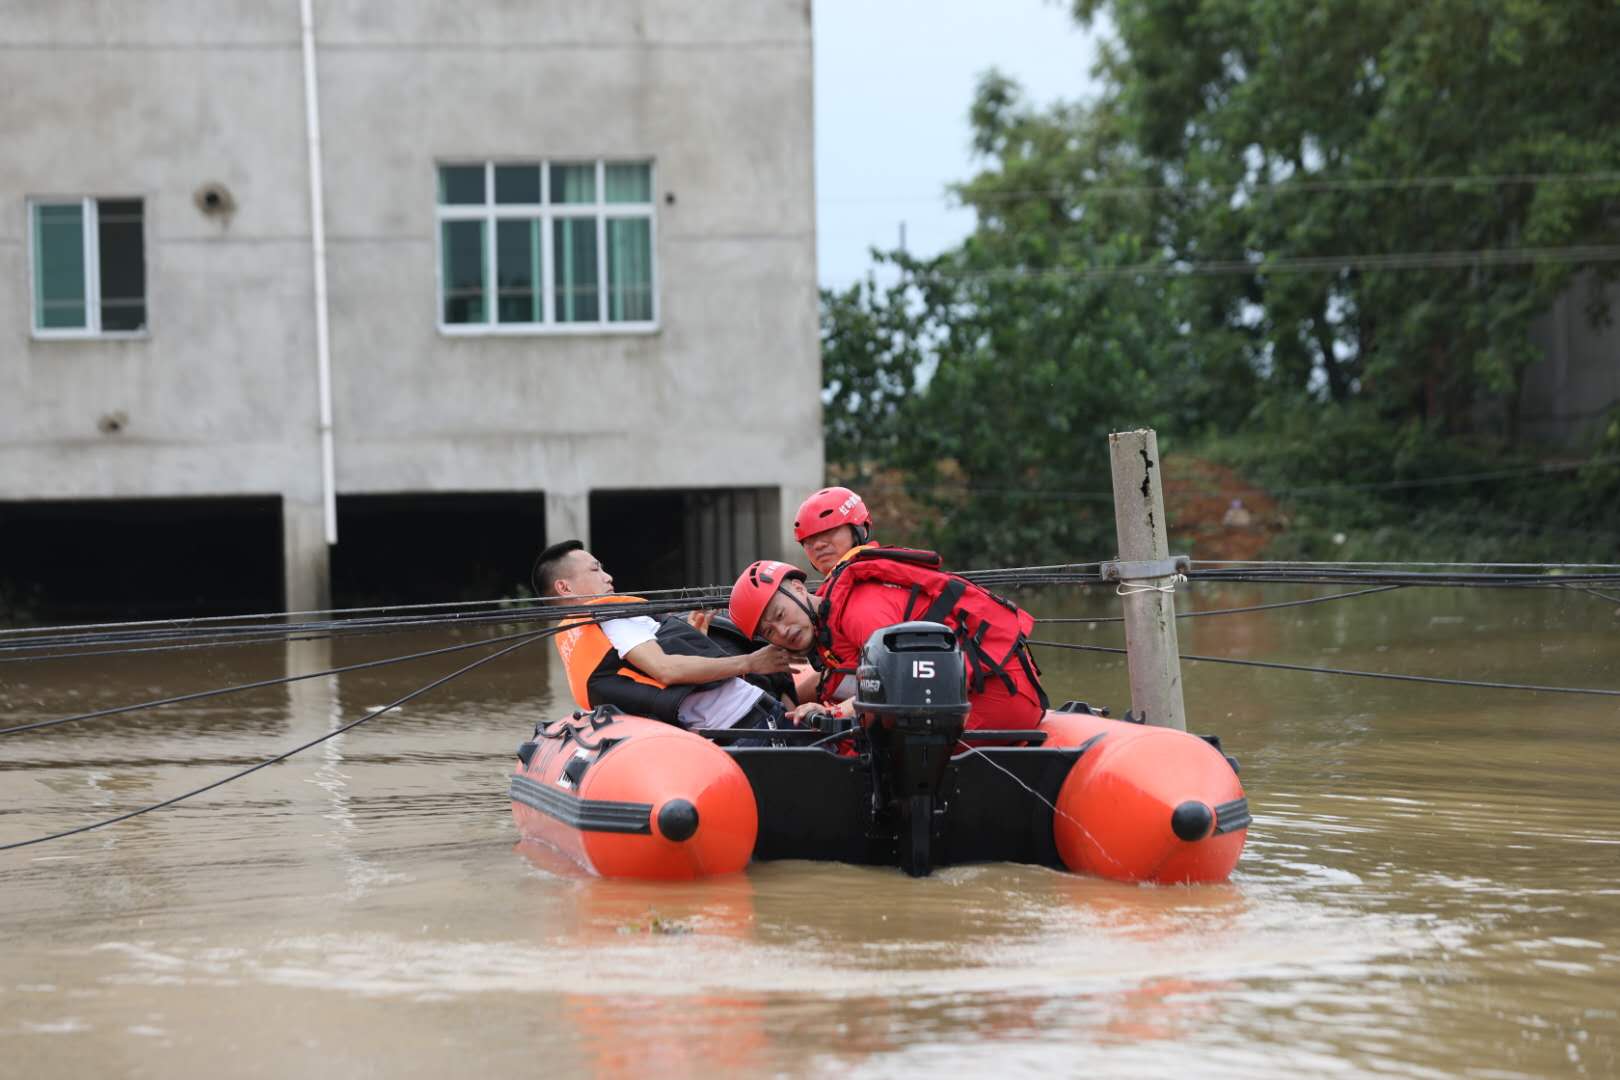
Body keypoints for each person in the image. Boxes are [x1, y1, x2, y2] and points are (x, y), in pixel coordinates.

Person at [727, 548, 1049, 732]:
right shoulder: (828, 622)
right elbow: (845, 679)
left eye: (780, 616)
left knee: (855, 745)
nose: (782, 632)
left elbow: (897, 682)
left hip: (996, 696)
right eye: (769, 631)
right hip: (963, 693)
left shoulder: (858, 611)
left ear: (798, 589)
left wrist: (834, 713)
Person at [534, 540, 795, 739]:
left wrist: (694, 639)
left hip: (718, 730)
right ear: (565, 587)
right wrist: (751, 662)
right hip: (751, 718)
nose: (607, 576)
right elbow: (665, 671)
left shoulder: (574, 635)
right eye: (595, 569)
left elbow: (644, 679)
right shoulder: (613, 614)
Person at [793, 486, 877, 579]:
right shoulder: (834, 585)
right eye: (809, 539)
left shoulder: (877, 580)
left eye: (829, 532)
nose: (818, 545)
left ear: (862, 530)